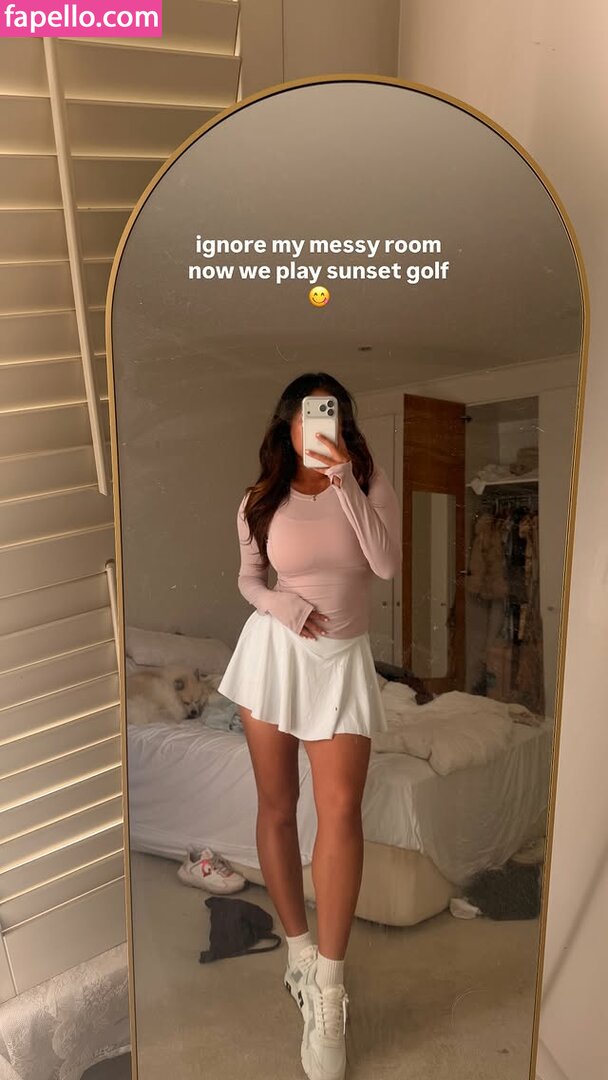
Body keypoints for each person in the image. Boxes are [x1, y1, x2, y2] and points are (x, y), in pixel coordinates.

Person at [218, 372, 401, 1080]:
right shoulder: (259, 498)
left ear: (342, 420)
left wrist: (345, 479)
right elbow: (249, 578)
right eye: (308, 413)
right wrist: (280, 606)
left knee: (342, 811)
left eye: (331, 412)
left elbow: (384, 563)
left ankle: (330, 986)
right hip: (275, 655)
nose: (319, 424)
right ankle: (298, 953)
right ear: (287, 423)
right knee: (276, 804)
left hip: (343, 661)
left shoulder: (368, 482)